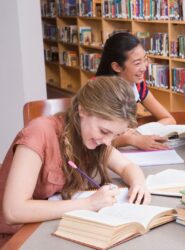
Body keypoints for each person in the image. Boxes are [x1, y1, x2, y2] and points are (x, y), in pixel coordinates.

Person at [0, 77, 151, 244]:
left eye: (116, 135)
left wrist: (139, 184)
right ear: (83, 110)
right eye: (104, 131)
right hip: (18, 237)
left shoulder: (90, 135)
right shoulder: (38, 133)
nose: (108, 142)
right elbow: (14, 211)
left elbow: (127, 167)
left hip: (52, 227)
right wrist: (88, 203)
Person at [96, 32, 176, 150]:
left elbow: (169, 119)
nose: (144, 67)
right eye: (137, 63)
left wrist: (141, 131)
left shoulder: (138, 86)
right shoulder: (99, 92)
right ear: (117, 67)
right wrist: (132, 139)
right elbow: (98, 140)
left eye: (145, 60)